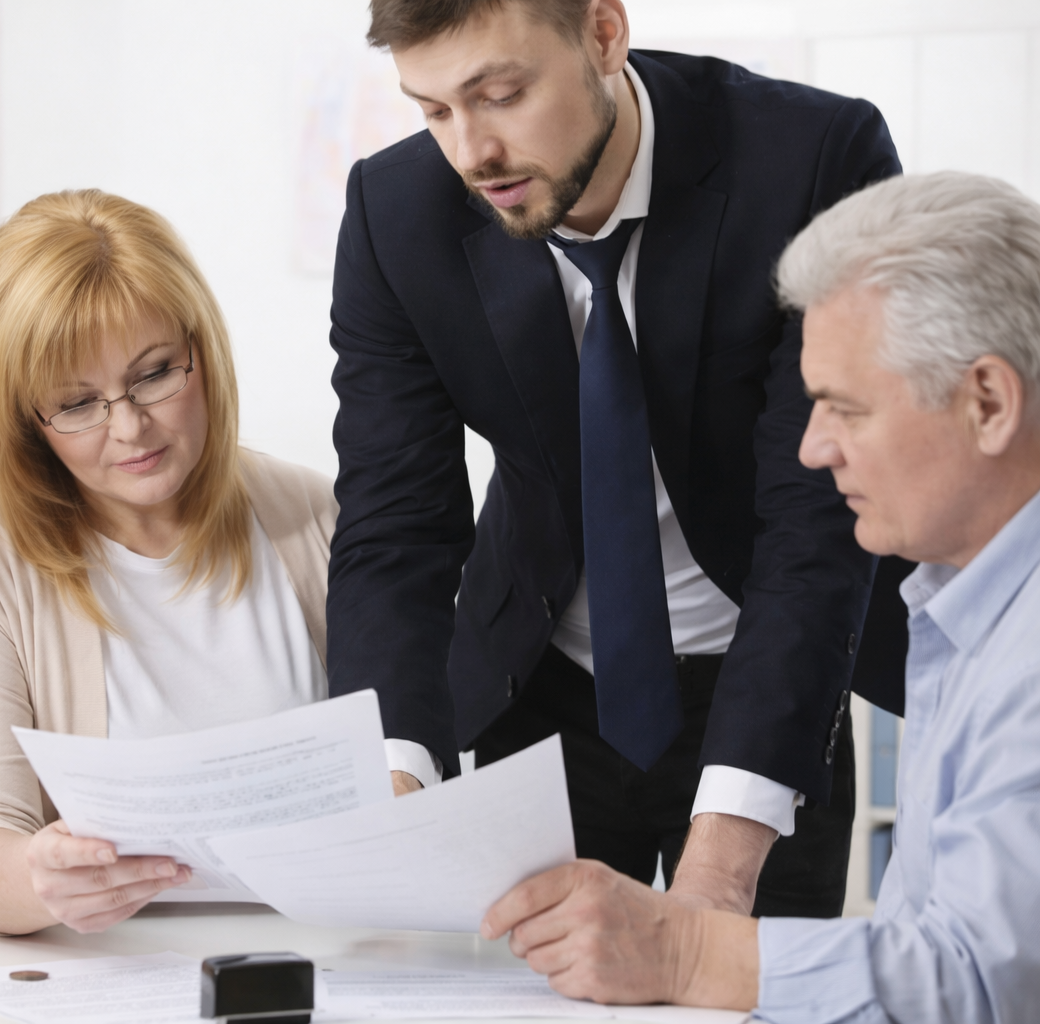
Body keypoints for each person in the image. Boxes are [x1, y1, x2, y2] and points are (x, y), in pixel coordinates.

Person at [326, 0, 910, 916]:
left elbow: (819, 510)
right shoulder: (394, 215)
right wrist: (393, 777)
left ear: (603, 33)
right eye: (434, 110)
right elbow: (395, 524)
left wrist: (722, 865)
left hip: (765, 674)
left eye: (503, 95)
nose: (472, 152)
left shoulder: (814, 159)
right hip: (541, 677)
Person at [481, 170, 1040, 1022]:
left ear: (988, 402)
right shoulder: (964, 605)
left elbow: (978, 982)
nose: (814, 450)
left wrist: (677, 947)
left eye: (843, 409)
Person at [0, 189, 338, 936]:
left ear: (202, 351)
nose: (131, 426)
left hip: (336, 959)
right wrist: (37, 880)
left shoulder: (314, 515)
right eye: (76, 404)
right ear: (22, 422)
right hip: (104, 980)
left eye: (157, 373)